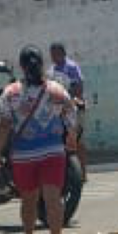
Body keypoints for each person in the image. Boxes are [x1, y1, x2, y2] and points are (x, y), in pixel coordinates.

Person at [0, 45, 75, 234]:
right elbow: (70, 109)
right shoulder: (55, 89)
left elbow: (3, 125)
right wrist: (71, 136)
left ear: (21, 66)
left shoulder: (10, 93)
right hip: (53, 153)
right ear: (42, 64)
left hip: (23, 156)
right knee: (53, 199)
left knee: (28, 200)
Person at [48, 41, 88, 182]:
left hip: (75, 107)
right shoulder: (51, 70)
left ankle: (82, 173)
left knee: (78, 140)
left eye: (55, 53)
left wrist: (66, 96)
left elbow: (79, 88)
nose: (52, 56)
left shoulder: (71, 66)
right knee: (63, 140)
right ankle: (68, 174)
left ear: (63, 53)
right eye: (51, 53)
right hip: (59, 110)